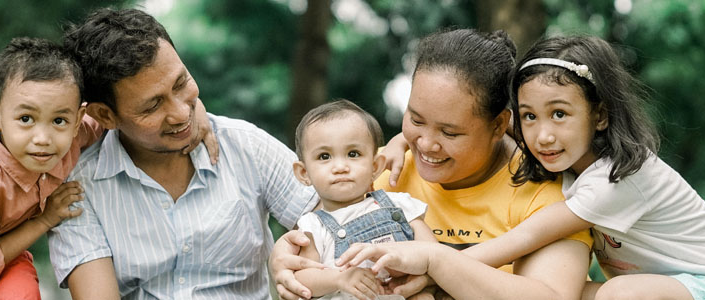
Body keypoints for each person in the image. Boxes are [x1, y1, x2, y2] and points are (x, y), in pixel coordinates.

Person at [272, 29, 594, 300]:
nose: (425, 145)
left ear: (499, 126)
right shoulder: (383, 168)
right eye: (415, 119)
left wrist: (435, 260)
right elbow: (320, 234)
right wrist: (285, 259)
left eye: (449, 132)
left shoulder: (545, 190)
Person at [448, 35, 705, 300]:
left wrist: (442, 266)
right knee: (557, 292)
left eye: (559, 113)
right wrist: (406, 141)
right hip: (664, 290)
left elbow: (525, 236)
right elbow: (491, 127)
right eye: (530, 115)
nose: (543, 136)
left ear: (600, 115)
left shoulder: (619, 176)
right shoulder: (565, 151)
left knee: (617, 295)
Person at [0, 36, 217, 299]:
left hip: (4, 250)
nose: (43, 138)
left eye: (59, 120)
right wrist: (46, 219)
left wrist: (195, 112)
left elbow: (125, 114)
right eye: (25, 119)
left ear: (77, 120)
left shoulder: (74, 137)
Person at [46, 8, 319, 299]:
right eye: (152, 106)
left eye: (181, 83)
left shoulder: (245, 146)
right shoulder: (78, 191)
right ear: (105, 115)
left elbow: (336, 216)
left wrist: (294, 254)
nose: (179, 113)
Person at [289, 99, 437, 300]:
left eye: (353, 154)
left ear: (375, 167)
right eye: (324, 156)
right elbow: (303, 276)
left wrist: (409, 267)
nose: (340, 166)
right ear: (304, 172)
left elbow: (434, 254)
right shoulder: (313, 225)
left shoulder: (398, 205)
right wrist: (339, 279)